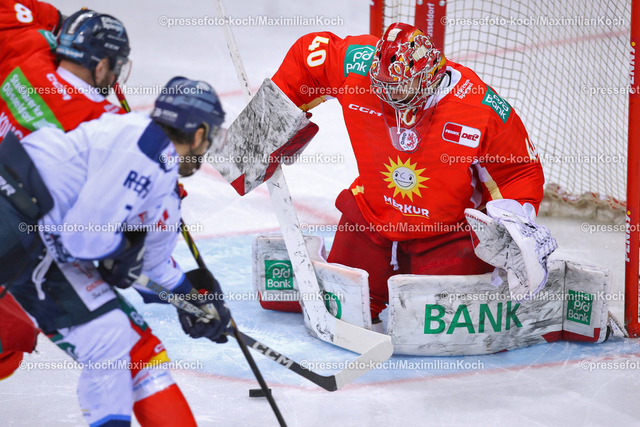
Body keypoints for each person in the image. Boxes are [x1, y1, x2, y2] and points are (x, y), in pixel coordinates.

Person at [271, 22, 549, 325]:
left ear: (430, 76)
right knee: (342, 311)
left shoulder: (479, 106)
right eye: (384, 85)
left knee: (437, 326)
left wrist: (514, 229)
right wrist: (270, 117)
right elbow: (310, 57)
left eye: (401, 86)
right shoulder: (357, 68)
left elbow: (518, 170)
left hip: (445, 234)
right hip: (373, 219)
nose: (390, 94)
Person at [1, 76, 229, 426]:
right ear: (199, 134)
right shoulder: (147, 152)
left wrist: (190, 298)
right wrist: (120, 250)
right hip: (16, 220)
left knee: (110, 334)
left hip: (26, 227)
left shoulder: (143, 151)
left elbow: (149, 266)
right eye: (210, 137)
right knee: (108, 335)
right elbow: (82, 238)